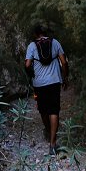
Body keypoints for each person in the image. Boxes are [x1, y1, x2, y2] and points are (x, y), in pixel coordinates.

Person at [25, 24, 68, 155]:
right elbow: (64, 62)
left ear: (35, 34)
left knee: (43, 110)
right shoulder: (55, 43)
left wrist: (31, 75)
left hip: (39, 84)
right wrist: (65, 77)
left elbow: (27, 64)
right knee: (54, 110)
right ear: (46, 33)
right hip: (54, 81)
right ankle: (53, 144)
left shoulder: (32, 46)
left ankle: (49, 132)